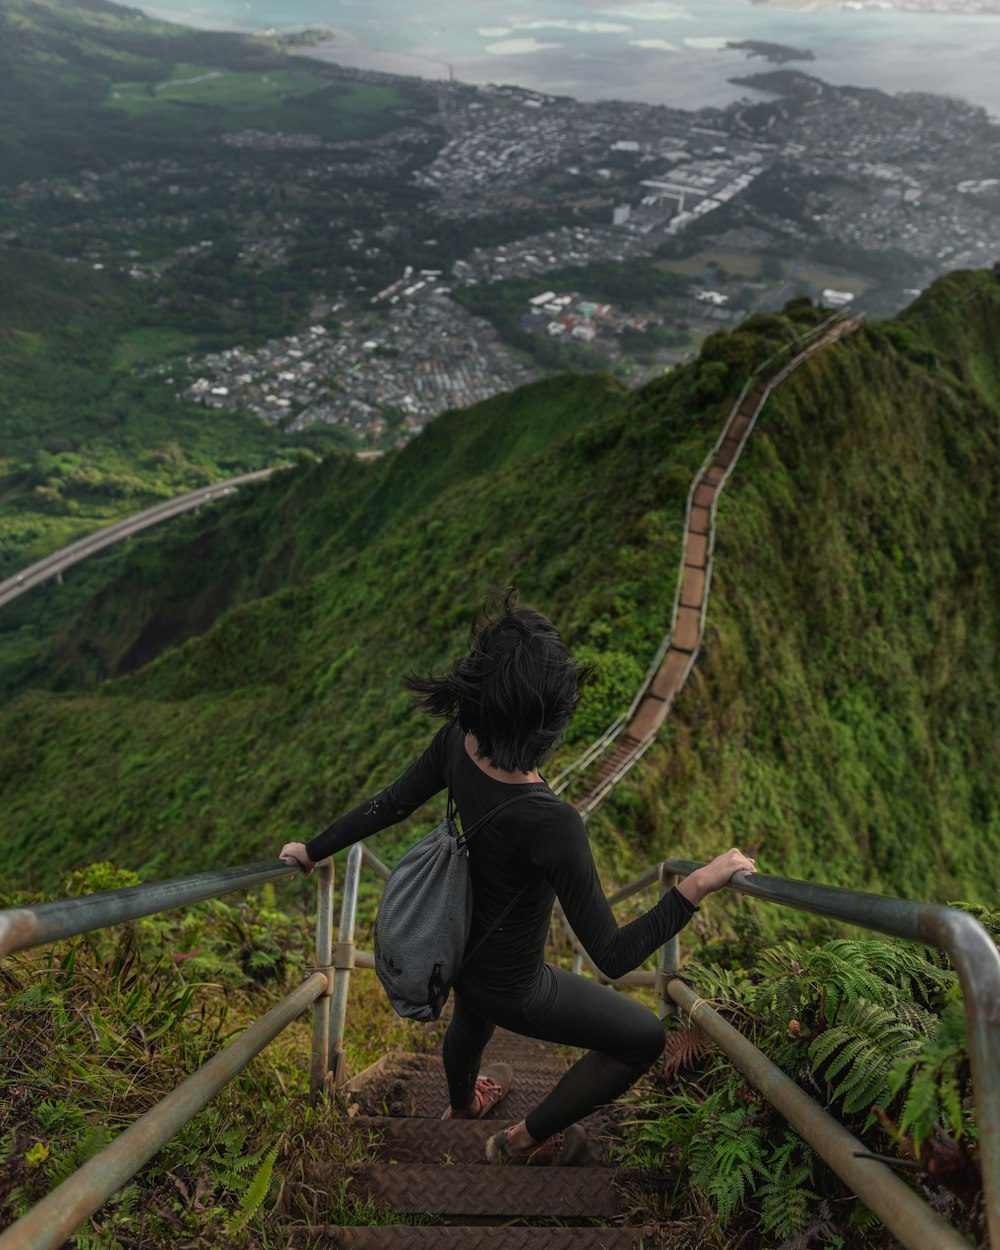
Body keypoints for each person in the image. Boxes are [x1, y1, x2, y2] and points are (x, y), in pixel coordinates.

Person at [280, 592, 756, 1166]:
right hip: (517, 989)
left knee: (471, 1019)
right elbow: (612, 954)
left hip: (454, 957)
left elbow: (389, 807)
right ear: (548, 717)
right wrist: (696, 885)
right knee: (642, 1038)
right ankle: (523, 1139)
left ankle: (461, 1109)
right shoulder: (554, 824)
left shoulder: (457, 743)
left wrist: (313, 849)